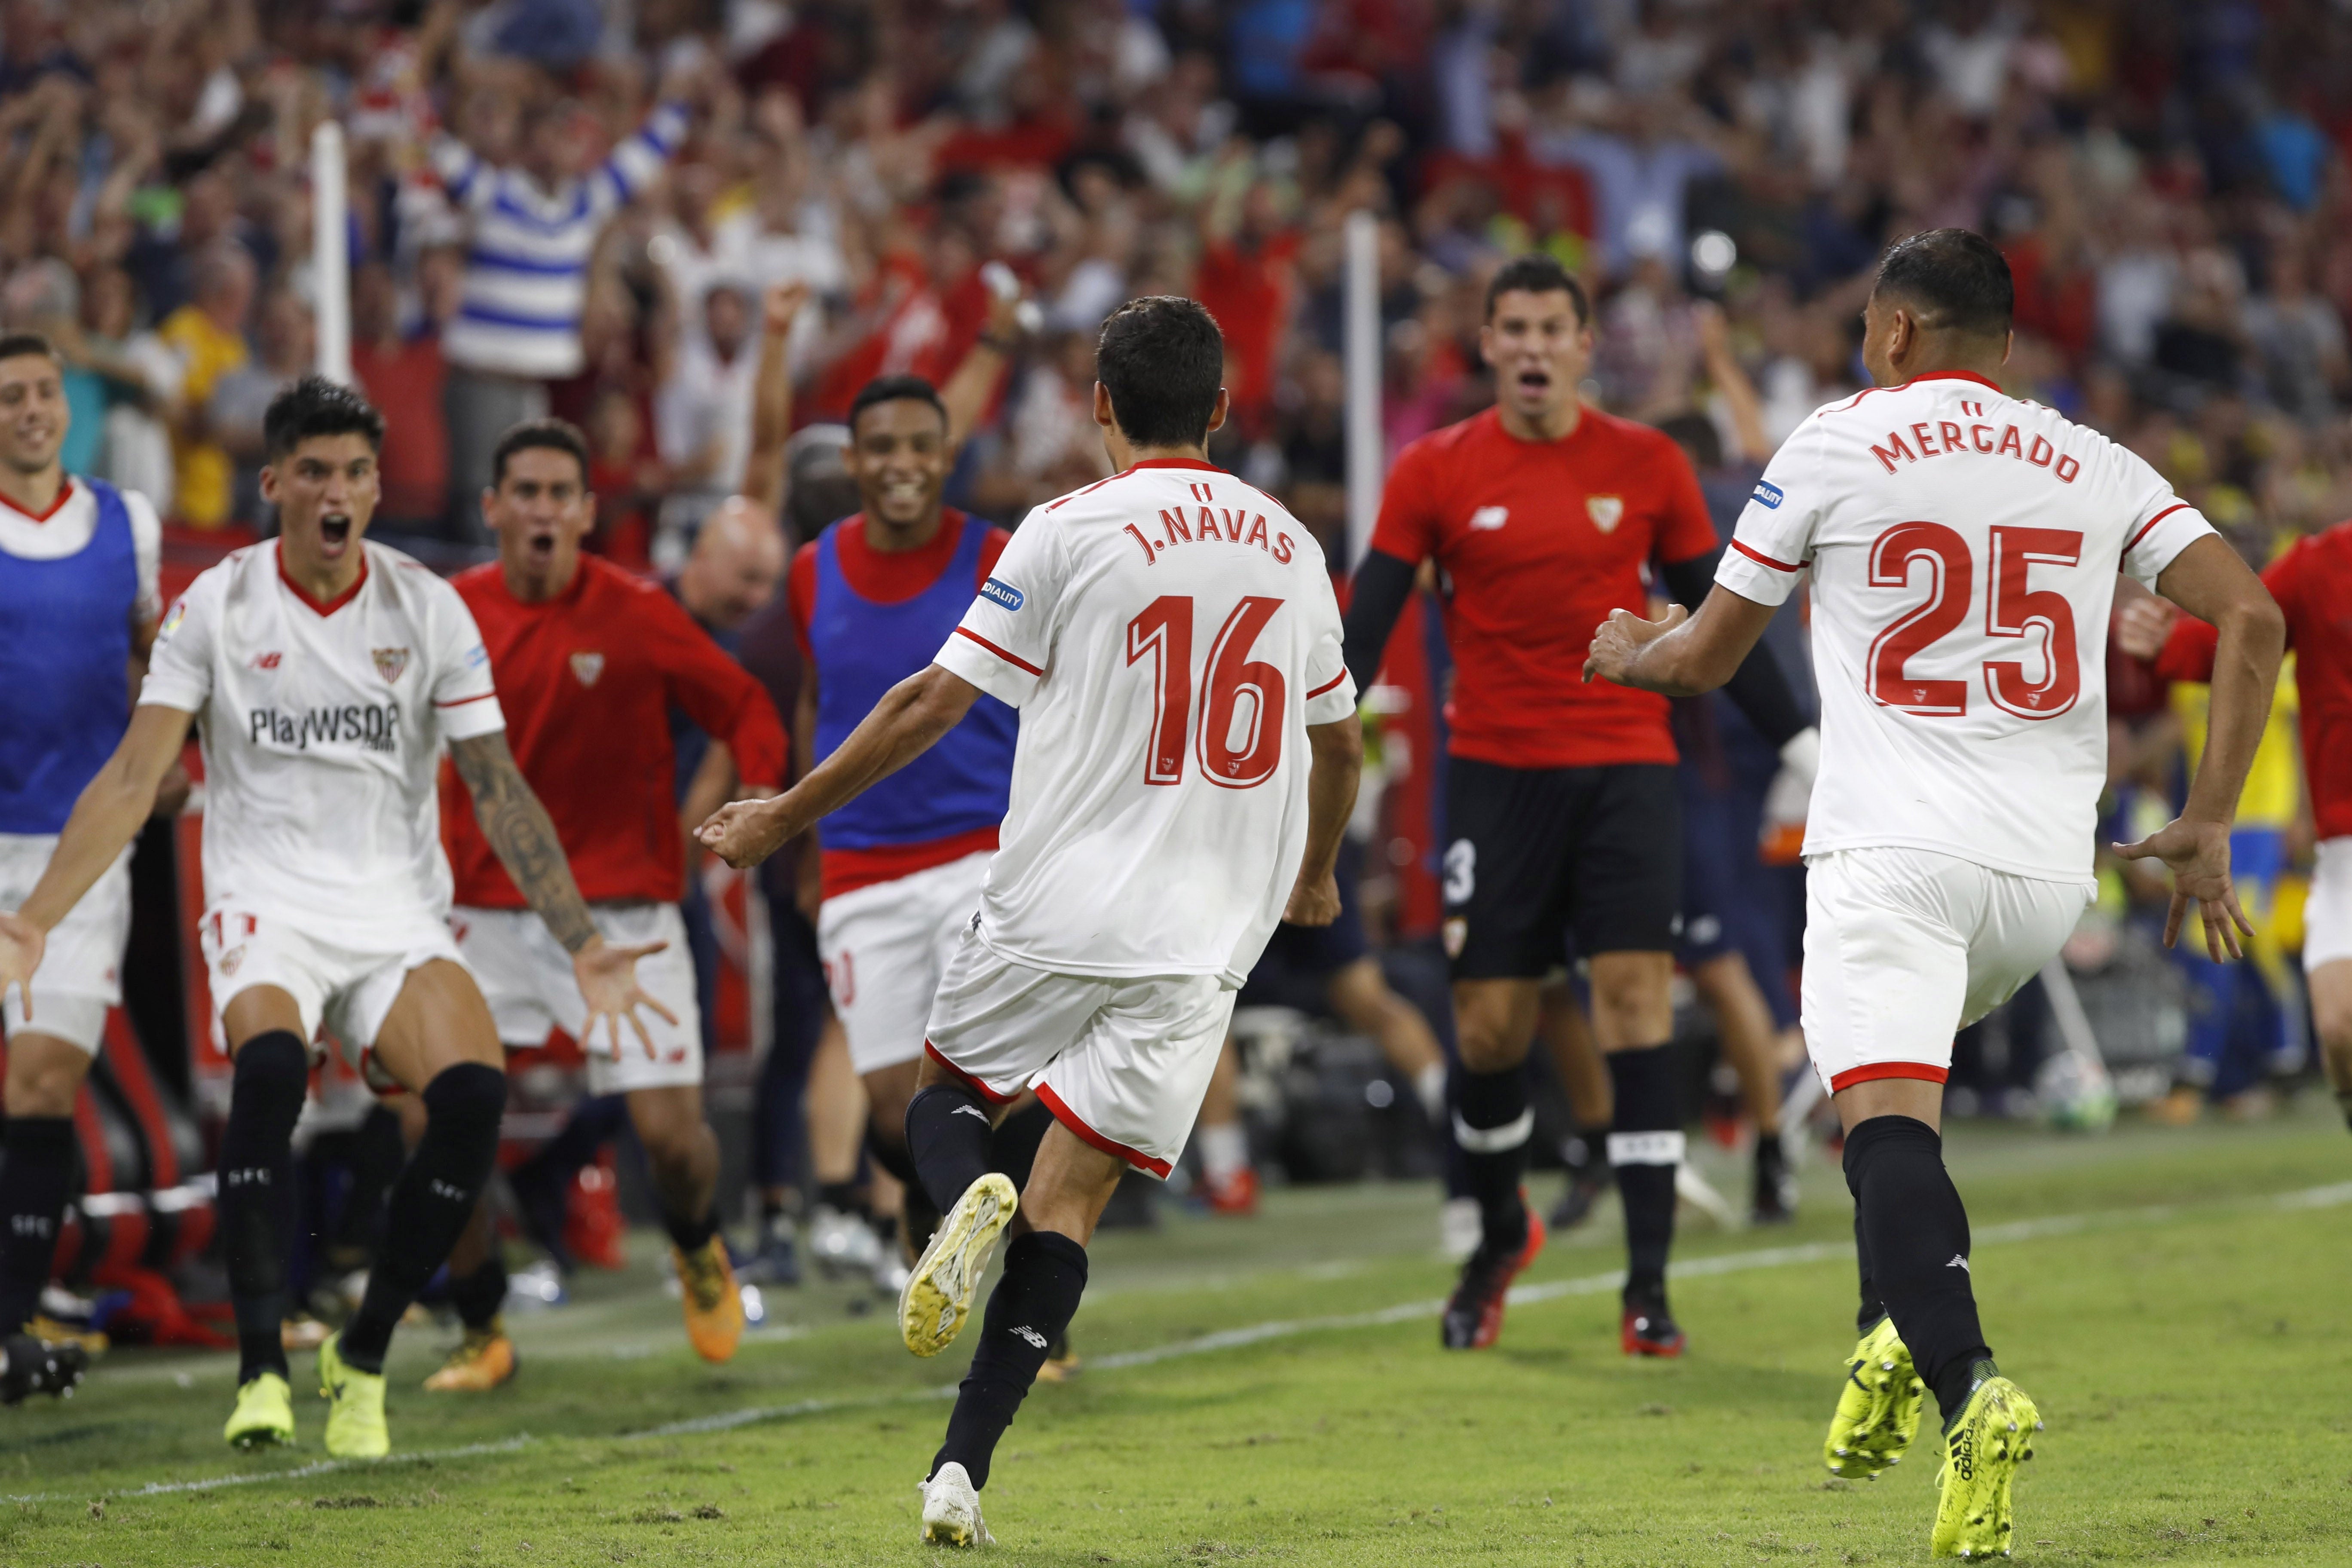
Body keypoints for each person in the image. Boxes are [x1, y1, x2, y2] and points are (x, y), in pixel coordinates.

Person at [1583, 228, 2281, 1558]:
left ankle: (1969, 1388)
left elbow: (1709, 658)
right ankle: (1877, 1337)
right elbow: (2252, 617)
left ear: (1896, 333)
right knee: (1898, 1106)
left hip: (1893, 856)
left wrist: (1632, 654)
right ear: (2006, 347)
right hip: (2040, 884)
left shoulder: (1836, 440)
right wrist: (2206, 820)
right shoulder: (2095, 458)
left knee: (1884, 1128)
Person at [697, 296, 1363, 1548]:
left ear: (1101, 408)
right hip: (1205, 935)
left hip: (1061, 900)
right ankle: (961, 1477)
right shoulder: (1288, 545)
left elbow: (928, 705)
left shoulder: (1063, 527)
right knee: (1076, 1202)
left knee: (944, 1101)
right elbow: (1339, 746)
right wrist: (1317, 871)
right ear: (1221, 409)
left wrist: (786, 814)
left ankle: (958, 1203)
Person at [0, 378, 671, 1459]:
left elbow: (496, 786)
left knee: (471, 1099)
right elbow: (135, 775)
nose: (338, 490)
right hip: (266, 907)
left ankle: (359, 1354)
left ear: (370, 489)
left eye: (357, 472)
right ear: (274, 485)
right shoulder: (215, 605)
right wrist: (35, 920)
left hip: (396, 913)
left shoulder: (427, 607)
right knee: (269, 1081)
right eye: (314, 470)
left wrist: (585, 941)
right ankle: (261, 1368)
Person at [1341, 251, 1816, 1357]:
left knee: (1638, 1009)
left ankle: (1648, 1290)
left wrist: (1803, 741)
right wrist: (1305, 737)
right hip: (1496, 776)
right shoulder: (1433, 470)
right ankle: (1503, 1234)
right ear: (1490, 345)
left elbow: (1719, 611)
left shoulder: (1649, 465)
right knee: (1491, 1028)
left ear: (1586, 345)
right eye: (1514, 328)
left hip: (1626, 769)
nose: (1535, 347)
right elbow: (1362, 626)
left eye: (1555, 327)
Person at [424, 418, 788, 1390]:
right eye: (526, 492)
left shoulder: (636, 611)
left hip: (625, 914)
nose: (543, 510)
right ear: (494, 507)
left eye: (561, 494)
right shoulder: (447, 615)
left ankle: (698, 1243)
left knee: (673, 1142)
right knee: (440, 1124)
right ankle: (480, 1324)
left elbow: (746, 706)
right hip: (485, 912)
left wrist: (760, 795)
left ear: (588, 512)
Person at [785, 371, 1019, 1273]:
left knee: (977, 1090)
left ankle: (1032, 1305)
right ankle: (935, 1240)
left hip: (980, 855)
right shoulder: (814, 569)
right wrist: (808, 845)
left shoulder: (999, 557)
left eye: (922, 446)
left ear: (948, 455)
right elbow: (821, 704)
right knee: (893, 1115)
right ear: (852, 461)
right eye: (882, 448)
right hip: (858, 868)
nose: (903, 465)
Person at [0, 330, 171, 1403]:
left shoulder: (127, 524)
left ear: (70, 406)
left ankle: (12, 1325)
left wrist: (170, 758)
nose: (29, 410)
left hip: (84, 851)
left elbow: (157, 657)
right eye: (10, 396)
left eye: (43, 393)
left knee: (44, 1078)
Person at [2123, 520, 2352, 1134]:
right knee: (2307, 996)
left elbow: (2290, 726)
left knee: (2228, 944)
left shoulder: (2274, 642)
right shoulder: (2311, 571)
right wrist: (2163, 644)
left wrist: (2297, 815)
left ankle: (2212, 1073)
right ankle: (2270, 1063)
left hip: (2266, 817)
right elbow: (2202, 688)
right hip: (2272, 827)